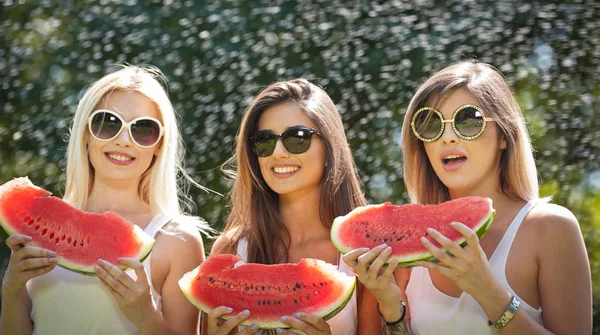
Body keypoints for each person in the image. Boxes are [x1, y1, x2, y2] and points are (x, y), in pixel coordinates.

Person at [343, 60, 592, 334]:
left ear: (504, 136)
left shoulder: (551, 228)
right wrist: (391, 308)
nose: (447, 137)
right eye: (430, 123)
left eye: (468, 120)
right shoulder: (406, 243)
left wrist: (484, 288)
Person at [0, 65, 210, 335]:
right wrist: (11, 290)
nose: (124, 140)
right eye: (107, 123)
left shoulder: (176, 241)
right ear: (86, 132)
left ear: (159, 145)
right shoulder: (41, 226)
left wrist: (145, 316)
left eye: (144, 129)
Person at [204, 78, 389, 335]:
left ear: (329, 149)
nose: (278, 152)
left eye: (297, 137)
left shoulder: (363, 255)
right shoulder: (231, 249)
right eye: (265, 141)